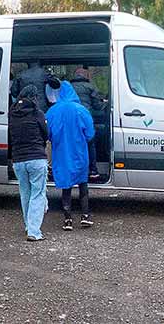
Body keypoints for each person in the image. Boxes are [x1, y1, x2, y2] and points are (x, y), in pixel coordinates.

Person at [45, 80, 95, 231]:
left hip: (61, 154)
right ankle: (85, 216)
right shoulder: (81, 110)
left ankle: (67, 219)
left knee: (66, 187)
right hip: (79, 152)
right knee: (83, 184)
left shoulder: (53, 111)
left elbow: (47, 133)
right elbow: (90, 133)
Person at [8, 85, 49, 241]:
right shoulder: (37, 113)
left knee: (25, 193)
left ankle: (28, 225)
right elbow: (46, 133)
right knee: (37, 194)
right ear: (34, 97)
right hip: (36, 158)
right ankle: (34, 232)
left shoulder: (12, 114)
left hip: (18, 160)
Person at [70, 67, 105, 180]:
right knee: (90, 144)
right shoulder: (90, 87)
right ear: (86, 76)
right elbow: (97, 106)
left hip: (71, 120)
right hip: (86, 119)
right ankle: (93, 170)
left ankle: (74, 170)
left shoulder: (69, 87)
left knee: (73, 145)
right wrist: (105, 103)